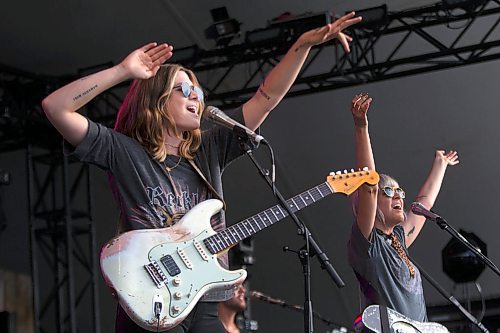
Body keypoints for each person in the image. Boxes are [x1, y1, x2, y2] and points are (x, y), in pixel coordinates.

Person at [41, 12, 362, 333]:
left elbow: (267, 98)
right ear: (157, 100)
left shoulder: (208, 149)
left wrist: (303, 45)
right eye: (184, 90)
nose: (197, 96)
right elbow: (56, 107)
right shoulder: (123, 151)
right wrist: (123, 71)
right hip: (152, 298)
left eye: (199, 91)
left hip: (204, 297)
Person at [347, 94, 459, 322]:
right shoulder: (368, 245)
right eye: (388, 191)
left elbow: (423, 204)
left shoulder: (398, 240)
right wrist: (361, 127)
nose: (398, 195)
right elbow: (368, 185)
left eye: (400, 191)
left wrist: (440, 165)